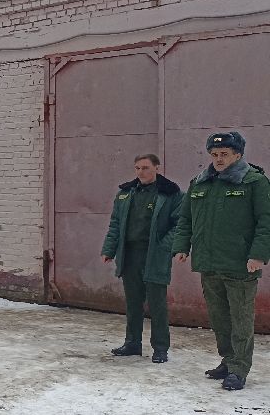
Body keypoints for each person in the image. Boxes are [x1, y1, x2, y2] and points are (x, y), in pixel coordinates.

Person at [173, 132, 270, 391]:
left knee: (240, 318)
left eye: (224, 154)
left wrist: (258, 255)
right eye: (214, 155)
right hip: (209, 263)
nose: (218, 159)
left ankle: (239, 369)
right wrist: (182, 246)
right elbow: (186, 219)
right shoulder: (200, 183)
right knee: (219, 318)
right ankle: (228, 360)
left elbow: (265, 221)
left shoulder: (254, 182)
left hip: (240, 264)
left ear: (238, 155)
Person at [101, 154, 183, 363]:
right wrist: (109, 250)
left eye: (145, 168)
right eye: (137, 168)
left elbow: (180, 224)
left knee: (157, 304)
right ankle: (132, 343)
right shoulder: (126, 193)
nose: (140, 172)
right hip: (130, 255)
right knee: (133, 303)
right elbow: (116, 223)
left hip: (154, 255)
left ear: (157, 167)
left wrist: (164, 246)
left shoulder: (170, 193)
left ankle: (160, 348)